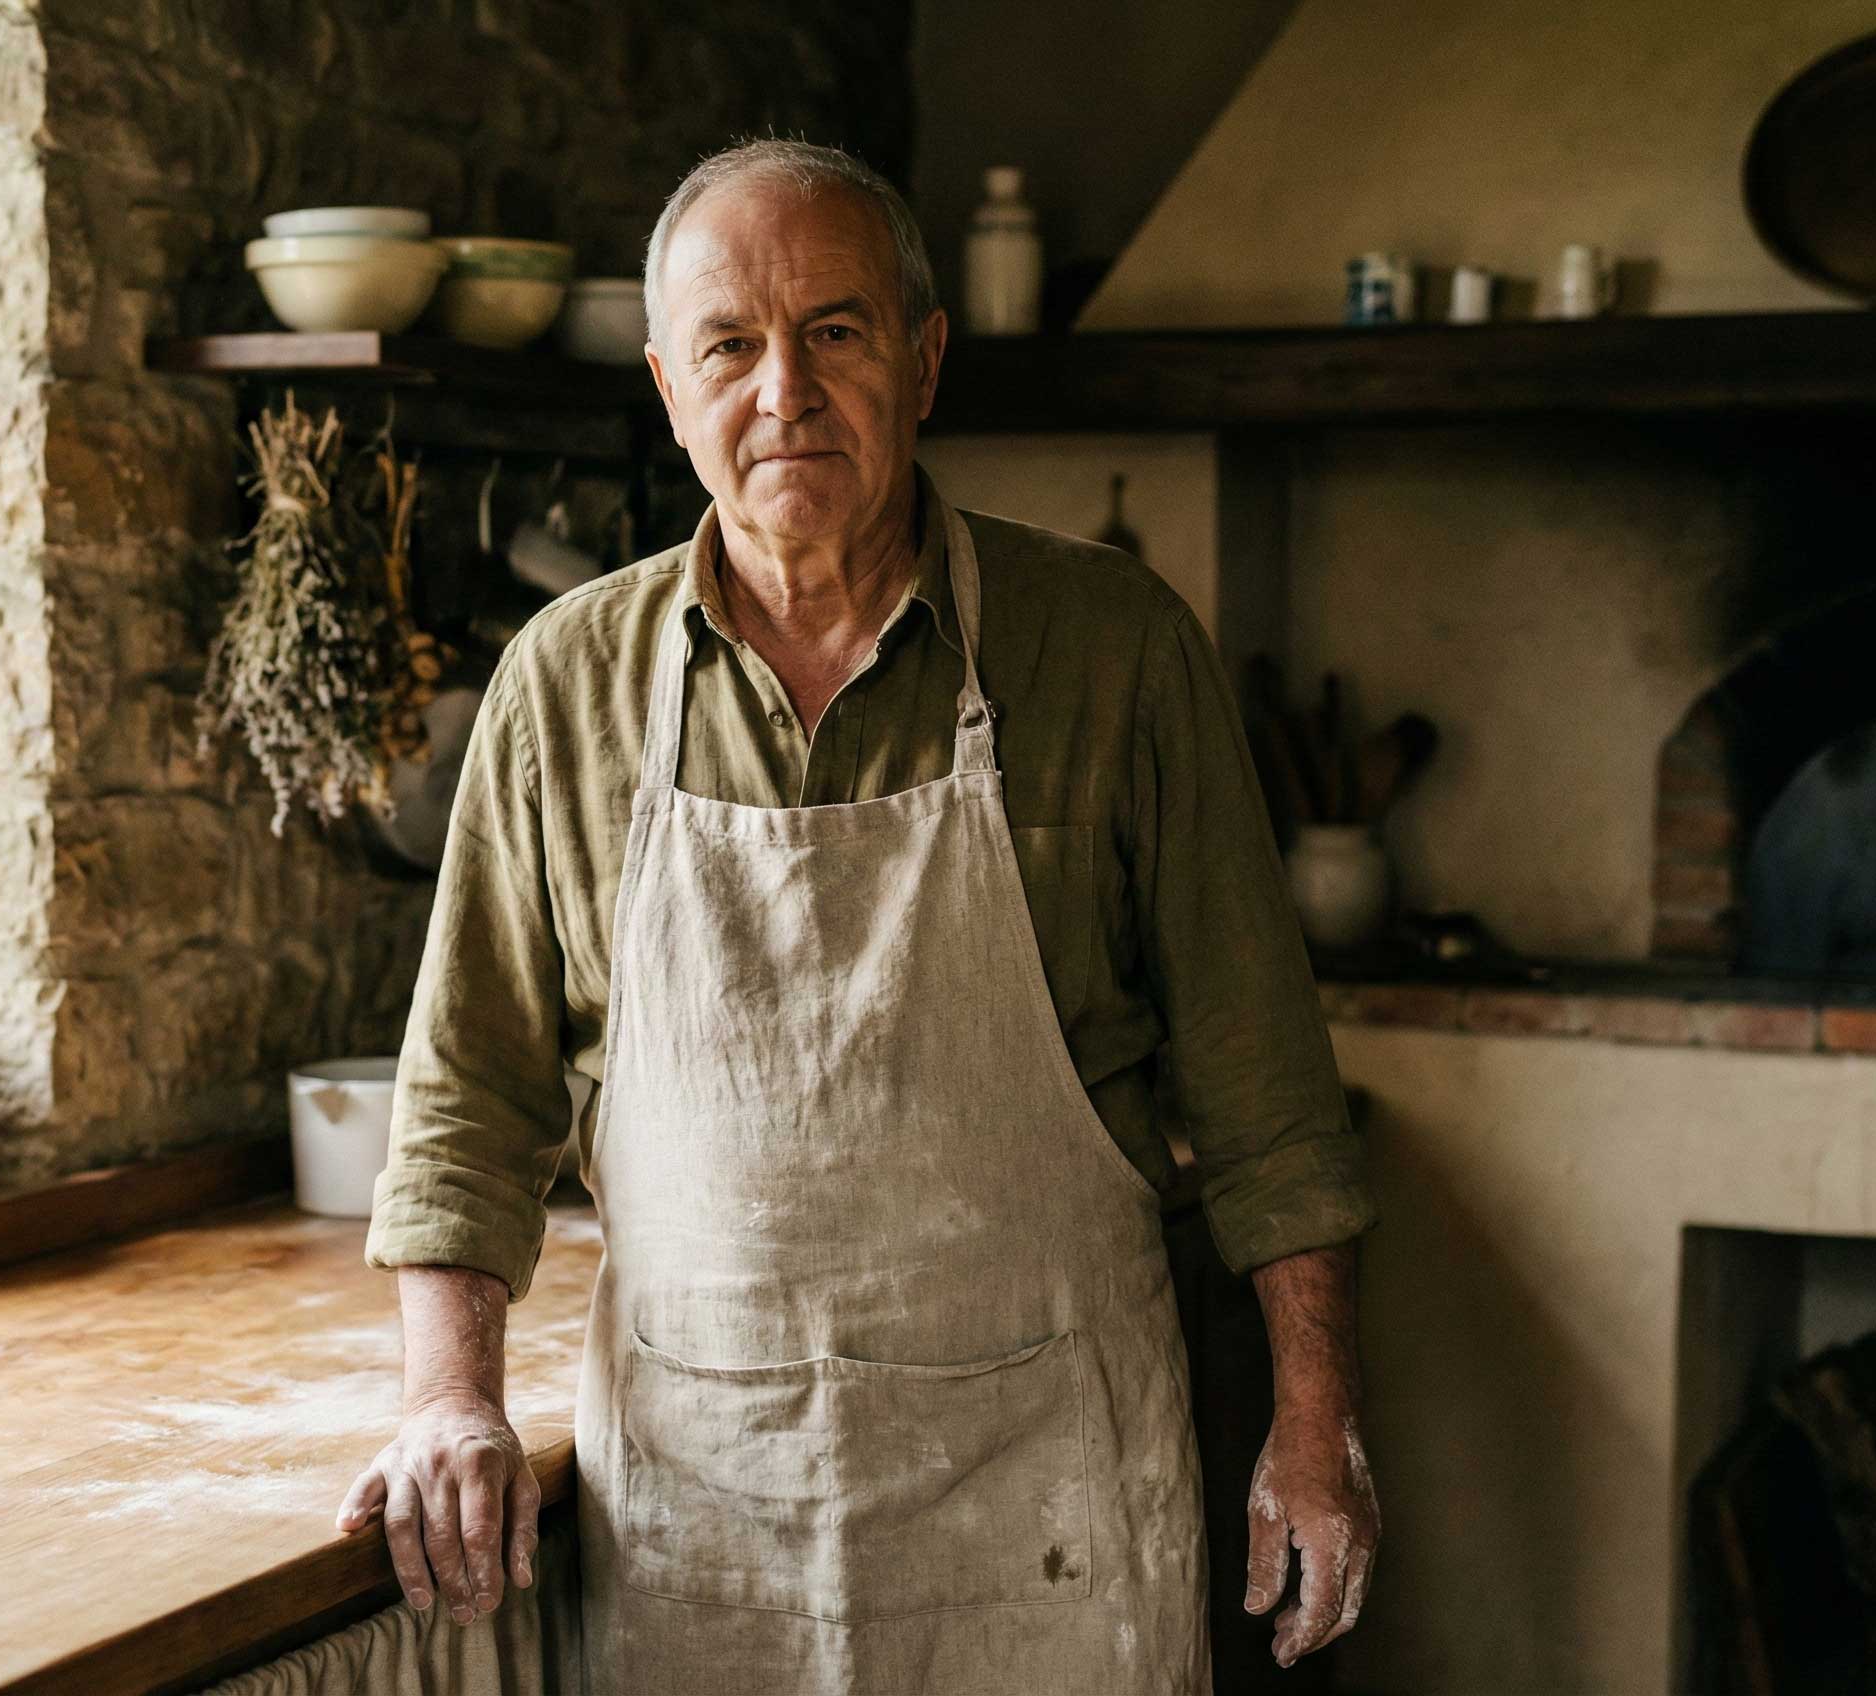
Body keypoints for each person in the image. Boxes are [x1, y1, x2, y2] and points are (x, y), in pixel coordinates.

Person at [335, 138, 1381, 1691]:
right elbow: (470, 1103)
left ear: (926, 359)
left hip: (1052, 1512)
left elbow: (1267, 1099)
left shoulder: (1115, 649)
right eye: (730, 348)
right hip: (706, 1522)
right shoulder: (563, 687)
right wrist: (447, 1398)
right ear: (667, 387)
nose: (785, 393)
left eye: (836, 330)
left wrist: (1315, 1422)